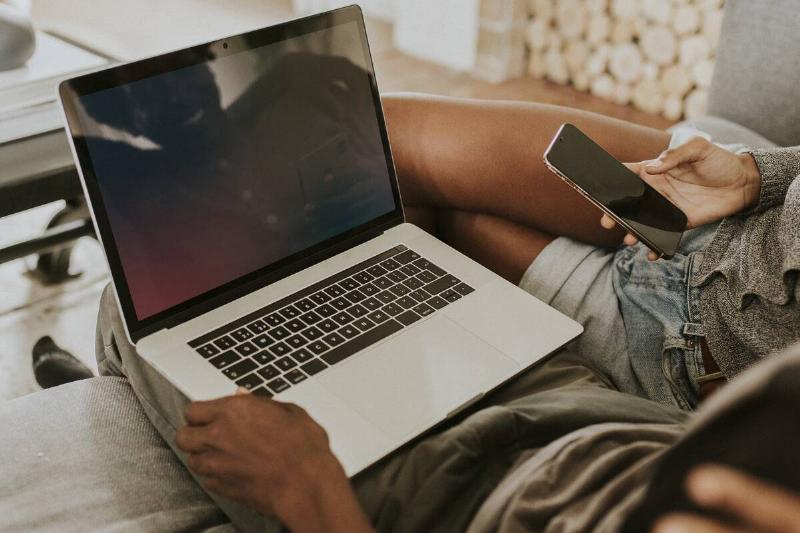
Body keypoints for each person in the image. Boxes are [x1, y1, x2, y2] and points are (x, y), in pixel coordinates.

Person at [84, 94, 798, 531]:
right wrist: (756, 173)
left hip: (463, 498)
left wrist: (311, 493)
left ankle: (107, 380)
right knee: (374, 174)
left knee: (141, 299)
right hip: (604, 411)